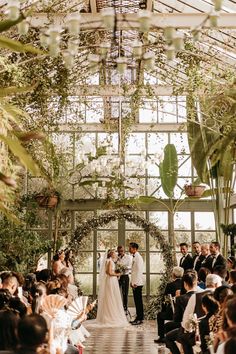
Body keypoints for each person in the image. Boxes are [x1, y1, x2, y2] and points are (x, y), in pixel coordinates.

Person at [96, 249, 128, 327]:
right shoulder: (110, 261)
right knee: (111, 296)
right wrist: (117, 274)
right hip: (111, 280)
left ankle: (110, 314)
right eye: (114, 253)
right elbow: (109, 272)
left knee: (111, 296)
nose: (116, 254)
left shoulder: (110, 260)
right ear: (111, 254)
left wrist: (117, 273)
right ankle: (110, 316)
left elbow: (109, 272)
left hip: (112, 280)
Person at [154, 266, 184, 343]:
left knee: (160, 315)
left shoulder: (170, 285)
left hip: (173, 313)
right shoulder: (185, 284)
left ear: (173, 275)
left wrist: (163, 310)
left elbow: (165, 300)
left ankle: (161, 336)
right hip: (185, 312)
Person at [129, 242, 144, 325]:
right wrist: (132, 282)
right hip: (135, 282)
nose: (129, 249)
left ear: (134, 249)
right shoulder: (135, 257)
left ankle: (140, 318)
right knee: (137, 301)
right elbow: (134, 271)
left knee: (138, 302)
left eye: (130, 248)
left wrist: (135, 283)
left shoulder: (138, 258)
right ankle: (138, 317)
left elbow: (139, 271)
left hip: (137, 283)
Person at [117, 245, 132, 312]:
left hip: (125, 276)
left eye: (122, 251)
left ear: (124, 250)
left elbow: (130, 266)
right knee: (116, 292)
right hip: (117, 276)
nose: (120, 252)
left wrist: (124, 268)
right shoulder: (117, 257)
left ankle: (125, 308)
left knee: (125, 293)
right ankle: (118, 307)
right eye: (119, 251)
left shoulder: (128, 257)